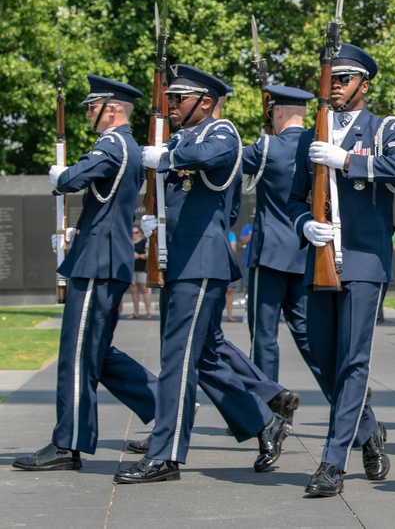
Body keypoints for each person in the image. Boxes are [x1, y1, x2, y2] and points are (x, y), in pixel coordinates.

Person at [116, 65, 289, 484]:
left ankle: (166, 455)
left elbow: (214, 158)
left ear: (205, 102)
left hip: (200, 262)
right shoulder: (176, 138)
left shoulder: (220, 132)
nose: (170, 106)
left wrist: (167, 157)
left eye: (178, 99)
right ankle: (264, 420)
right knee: (206, 356)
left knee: (176, 359)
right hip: (179, 260)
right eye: (170, 99)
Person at [288, 43, 395, 497]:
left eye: (344, 80)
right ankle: (368, 429)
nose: (335, 87)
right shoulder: (312, 134)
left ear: (364, 84)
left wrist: (346, 160)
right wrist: (305, 223)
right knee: (324, 356)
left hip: (364, 260)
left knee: (353, 361)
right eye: (330, 79)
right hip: (320, 258)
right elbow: (292, 199)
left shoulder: (385, 127)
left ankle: (332, 463)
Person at [13, 76, 158, 472]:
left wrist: (58, 172)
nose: (89, 115)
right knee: (95, 352)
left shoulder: (112, 144)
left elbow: (72, 180)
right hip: (100, 256)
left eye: (93, 107)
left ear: (111, 109)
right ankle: (166, 405)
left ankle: (68, 444)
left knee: (77, 355)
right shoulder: (125, 146)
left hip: (98, 262)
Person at [241, 85, 328, 395]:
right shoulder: (318, 145)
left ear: (277, 112)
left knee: (263, 336)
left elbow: (232, 162)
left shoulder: (266, 148)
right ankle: (343, 397)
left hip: (269, 255)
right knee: (307, 334)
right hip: (304, 252)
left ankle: (267, 407)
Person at [124, 225, 153, 319]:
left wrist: (139, 256)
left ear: (140, 233)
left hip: (142, 269)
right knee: (134, 291)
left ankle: (148, 312)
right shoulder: (128, 243)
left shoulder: (144, 242)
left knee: (145, 290)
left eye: (136, 232)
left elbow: (150, 255)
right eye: (132, 233)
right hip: (131, 270)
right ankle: (135, 312)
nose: (134, 235)